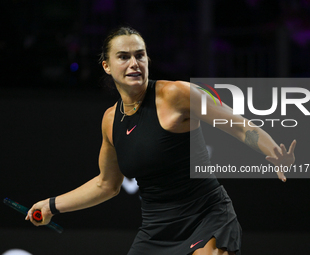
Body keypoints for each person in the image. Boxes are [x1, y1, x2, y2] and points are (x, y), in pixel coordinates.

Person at [26, 27, 296, 255]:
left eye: (139, 55)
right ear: (106, 66)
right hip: (156, 231)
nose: (134, 63)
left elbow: (238, 126)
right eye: (123, 57)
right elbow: (106, 184)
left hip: (207, 217)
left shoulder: (176, 94)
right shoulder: (110, 120)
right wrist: (51, 205)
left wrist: (272, 150)